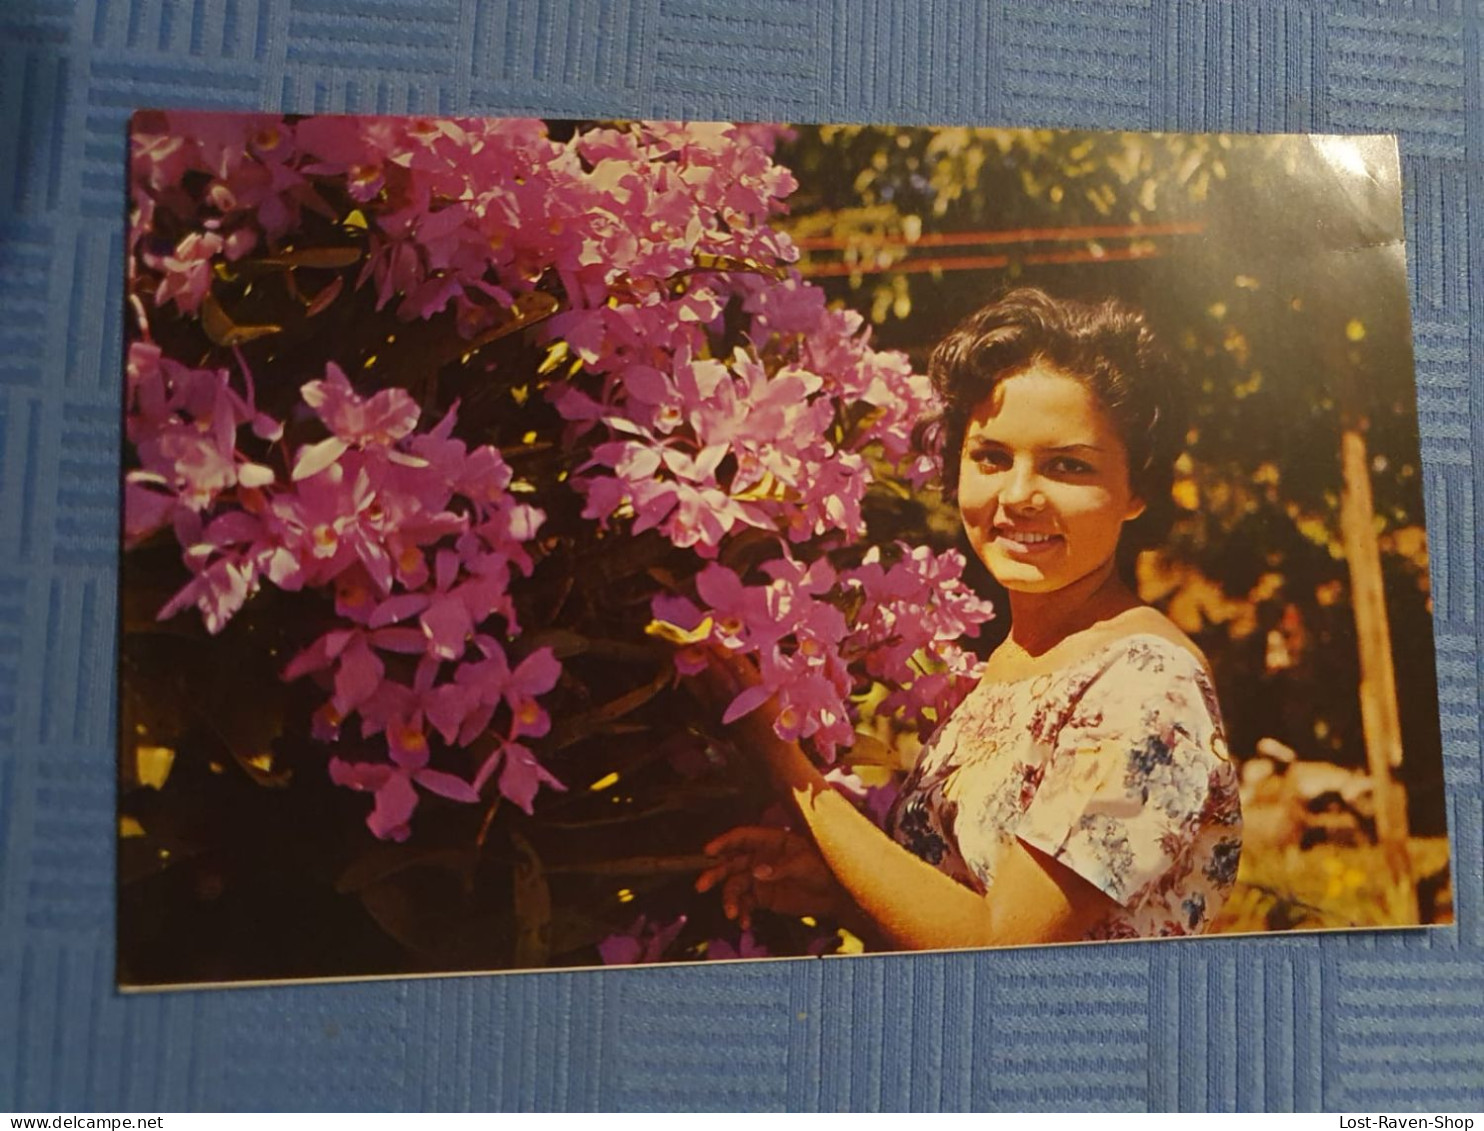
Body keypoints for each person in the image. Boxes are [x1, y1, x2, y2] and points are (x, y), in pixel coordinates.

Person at [695, 288, 1243, 949]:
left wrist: (782, 759)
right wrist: (837, 892)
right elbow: (968, 905)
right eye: (991, 457)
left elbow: (999, 949)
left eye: (1067, 465)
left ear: (1138, 490)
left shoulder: (1148, 686)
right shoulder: (1018, 661)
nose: (1017, 496)